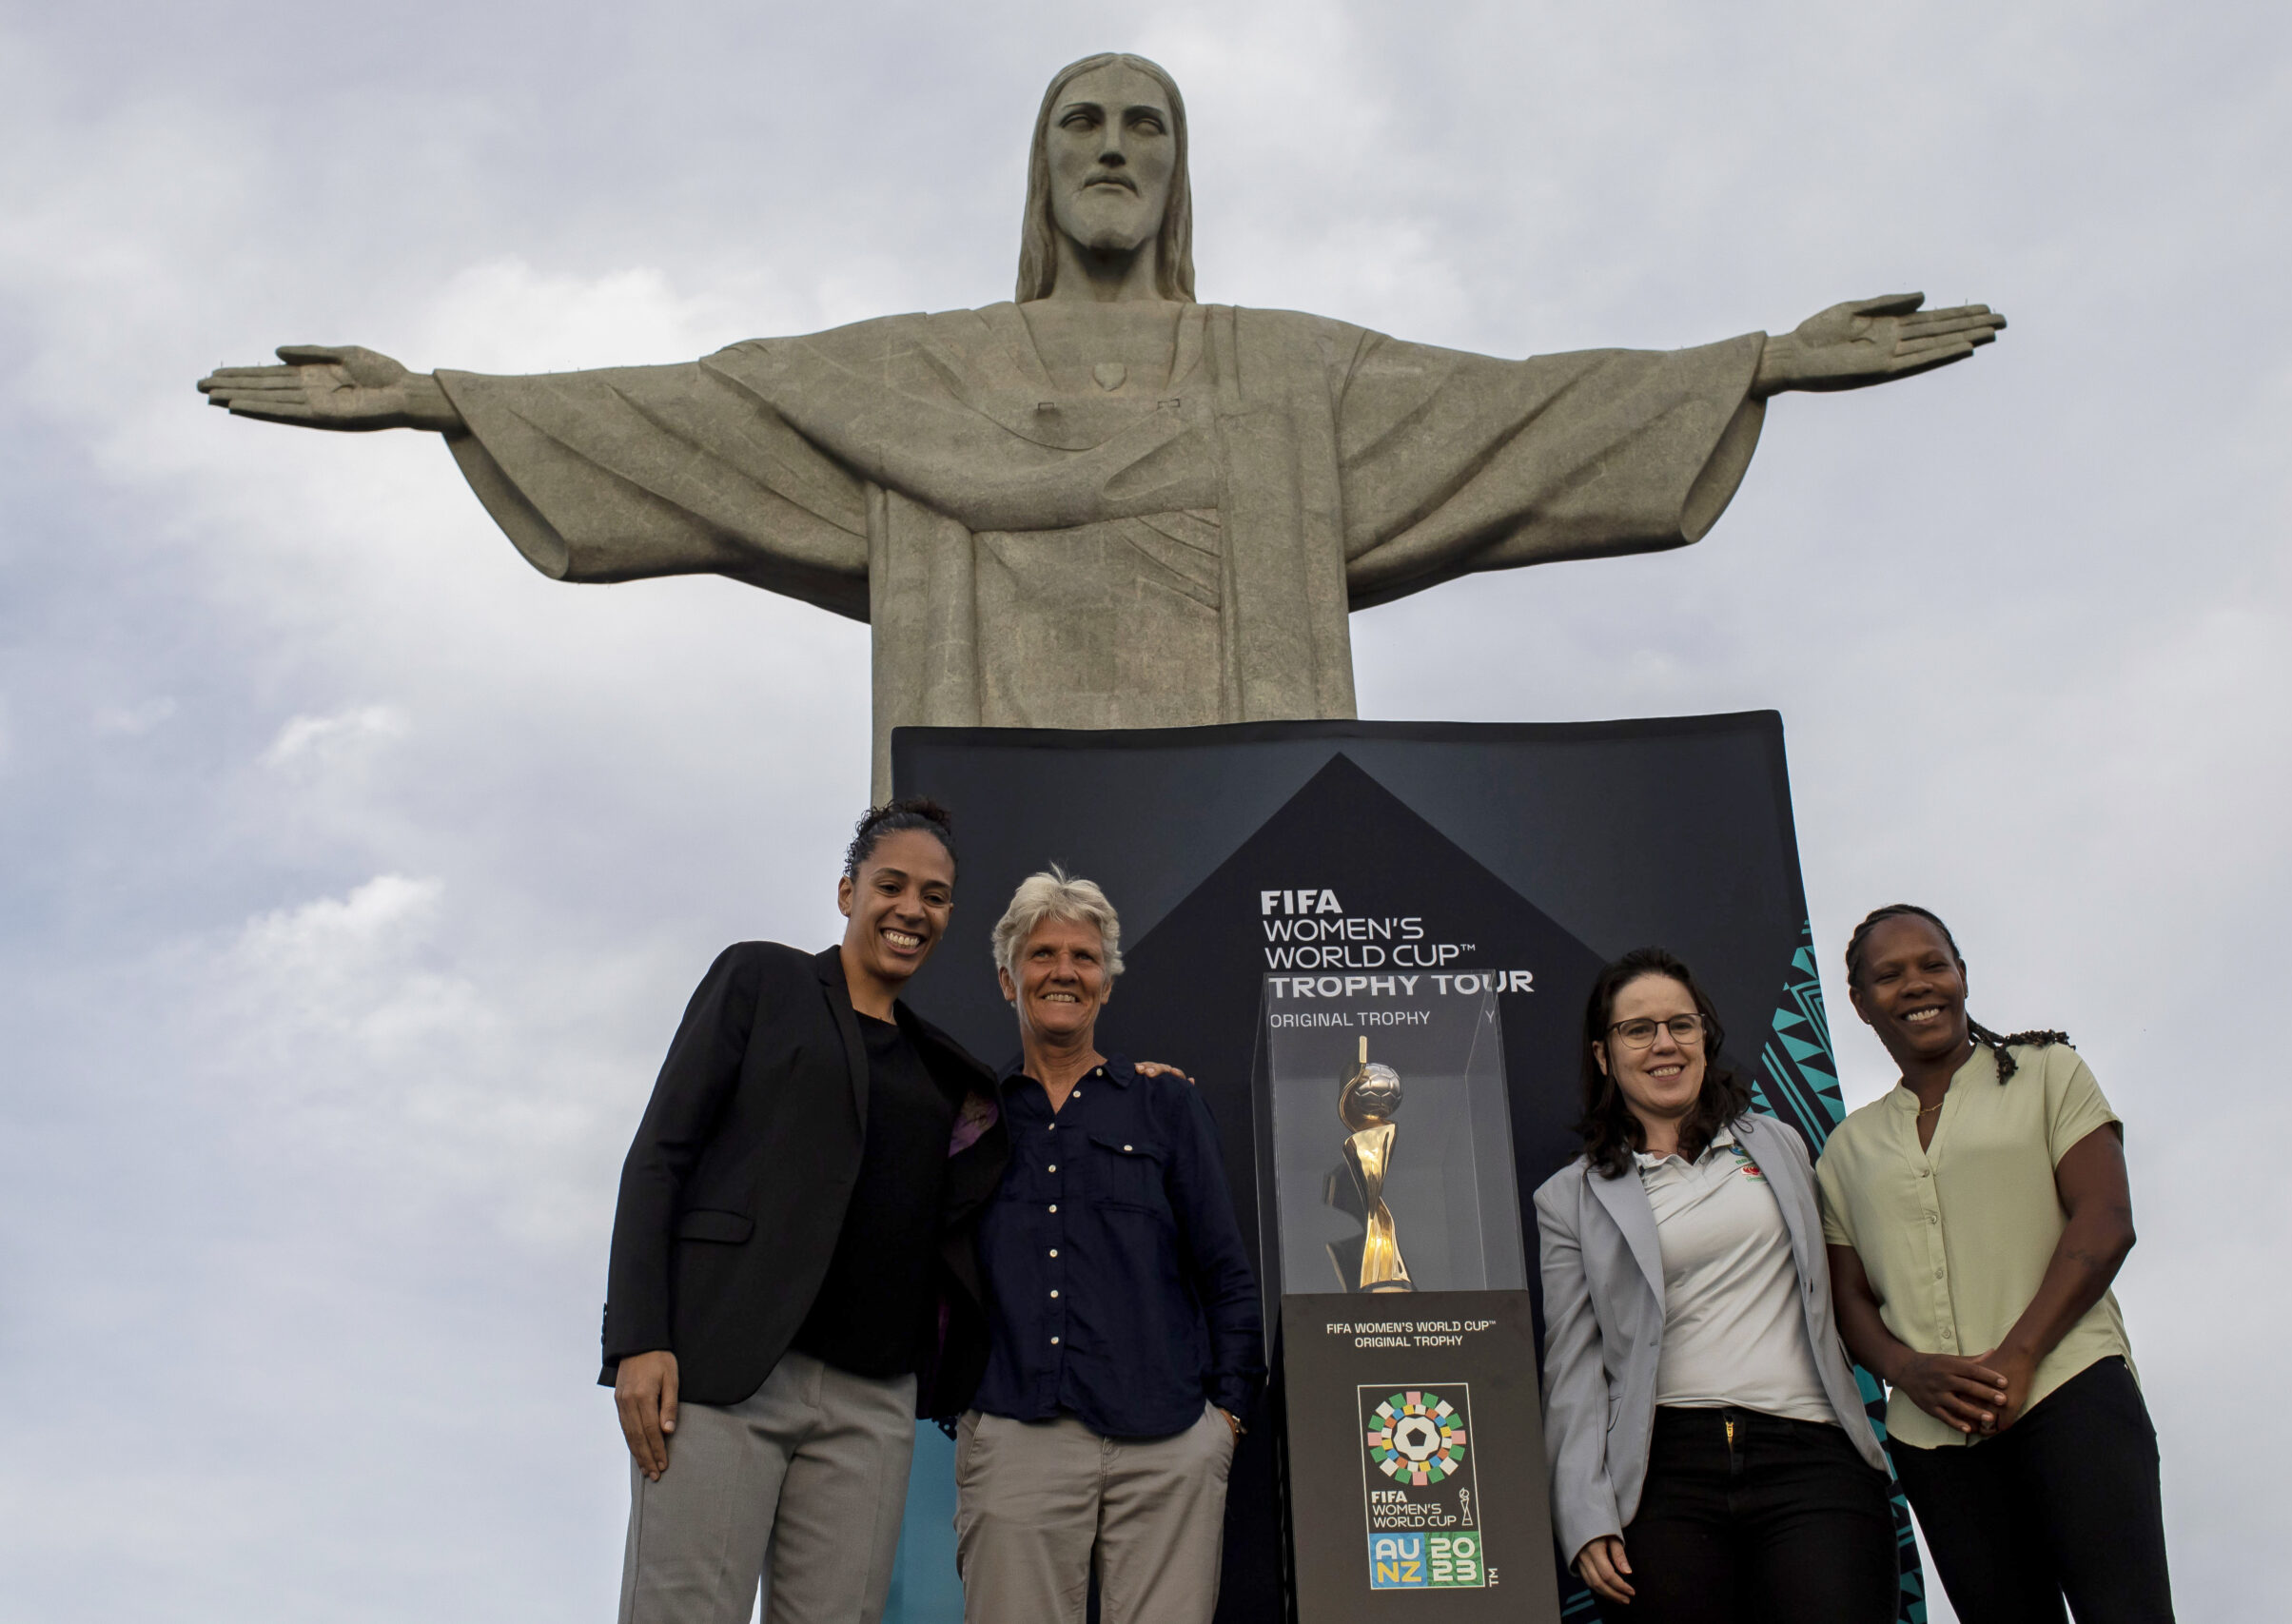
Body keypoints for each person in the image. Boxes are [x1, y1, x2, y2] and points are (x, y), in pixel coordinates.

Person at [200, 53, 2001, 798]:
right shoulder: (920, 377)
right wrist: (451, 397)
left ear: (1181, 167)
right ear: (1042, 171)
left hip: (1257, 829)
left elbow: (1513, 418)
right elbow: (708, 421)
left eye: (1147, 125)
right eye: (1084, 126)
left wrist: (1751, 361)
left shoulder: (1290, 375)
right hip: (998, 845)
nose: (1117, 150)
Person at [600, 798, 1009, 1624]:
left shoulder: (944, 1071)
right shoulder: (762, 978)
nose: (910, 909)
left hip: (871, 1405)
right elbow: (660, 1155)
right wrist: (639, 1337)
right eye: (890, 884)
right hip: (725, 1372)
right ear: (846, 890)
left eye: (933, 896)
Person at [1820, 905, 2173, 1623]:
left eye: (1933, 964)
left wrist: (2019, 1354)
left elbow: (2106, 1220)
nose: (1918, 984)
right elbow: (1847, 1296)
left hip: (2070, 1392)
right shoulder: (1846, 1151)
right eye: (1889, 976)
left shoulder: (2049, 1073)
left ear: (1962, 975)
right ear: (1860, 1004)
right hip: (1936, 1436)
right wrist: (1906, 1369)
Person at [1536, 948, 1894, 1622]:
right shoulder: (1570, 1199)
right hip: (1666, 1473)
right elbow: (1574, 1370)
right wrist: (1585, 1515)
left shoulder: (1782, 1145)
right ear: (1604, 1055)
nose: (1664, 1043)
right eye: (1638, 1029)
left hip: (1812, 1455)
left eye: (1681, 1023)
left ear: (1706, 1037)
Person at [954, 868, 1264, 1624]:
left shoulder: (1166, 1102)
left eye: (1084, 957)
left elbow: (1226, 1271)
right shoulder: (971, 1120)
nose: (1064, 970)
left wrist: (1225, 1419)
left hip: (1167, 1441)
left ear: (1107, 982)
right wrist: (965, 1413)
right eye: (1042, 953)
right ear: (1007, 979)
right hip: (1017, 1433)